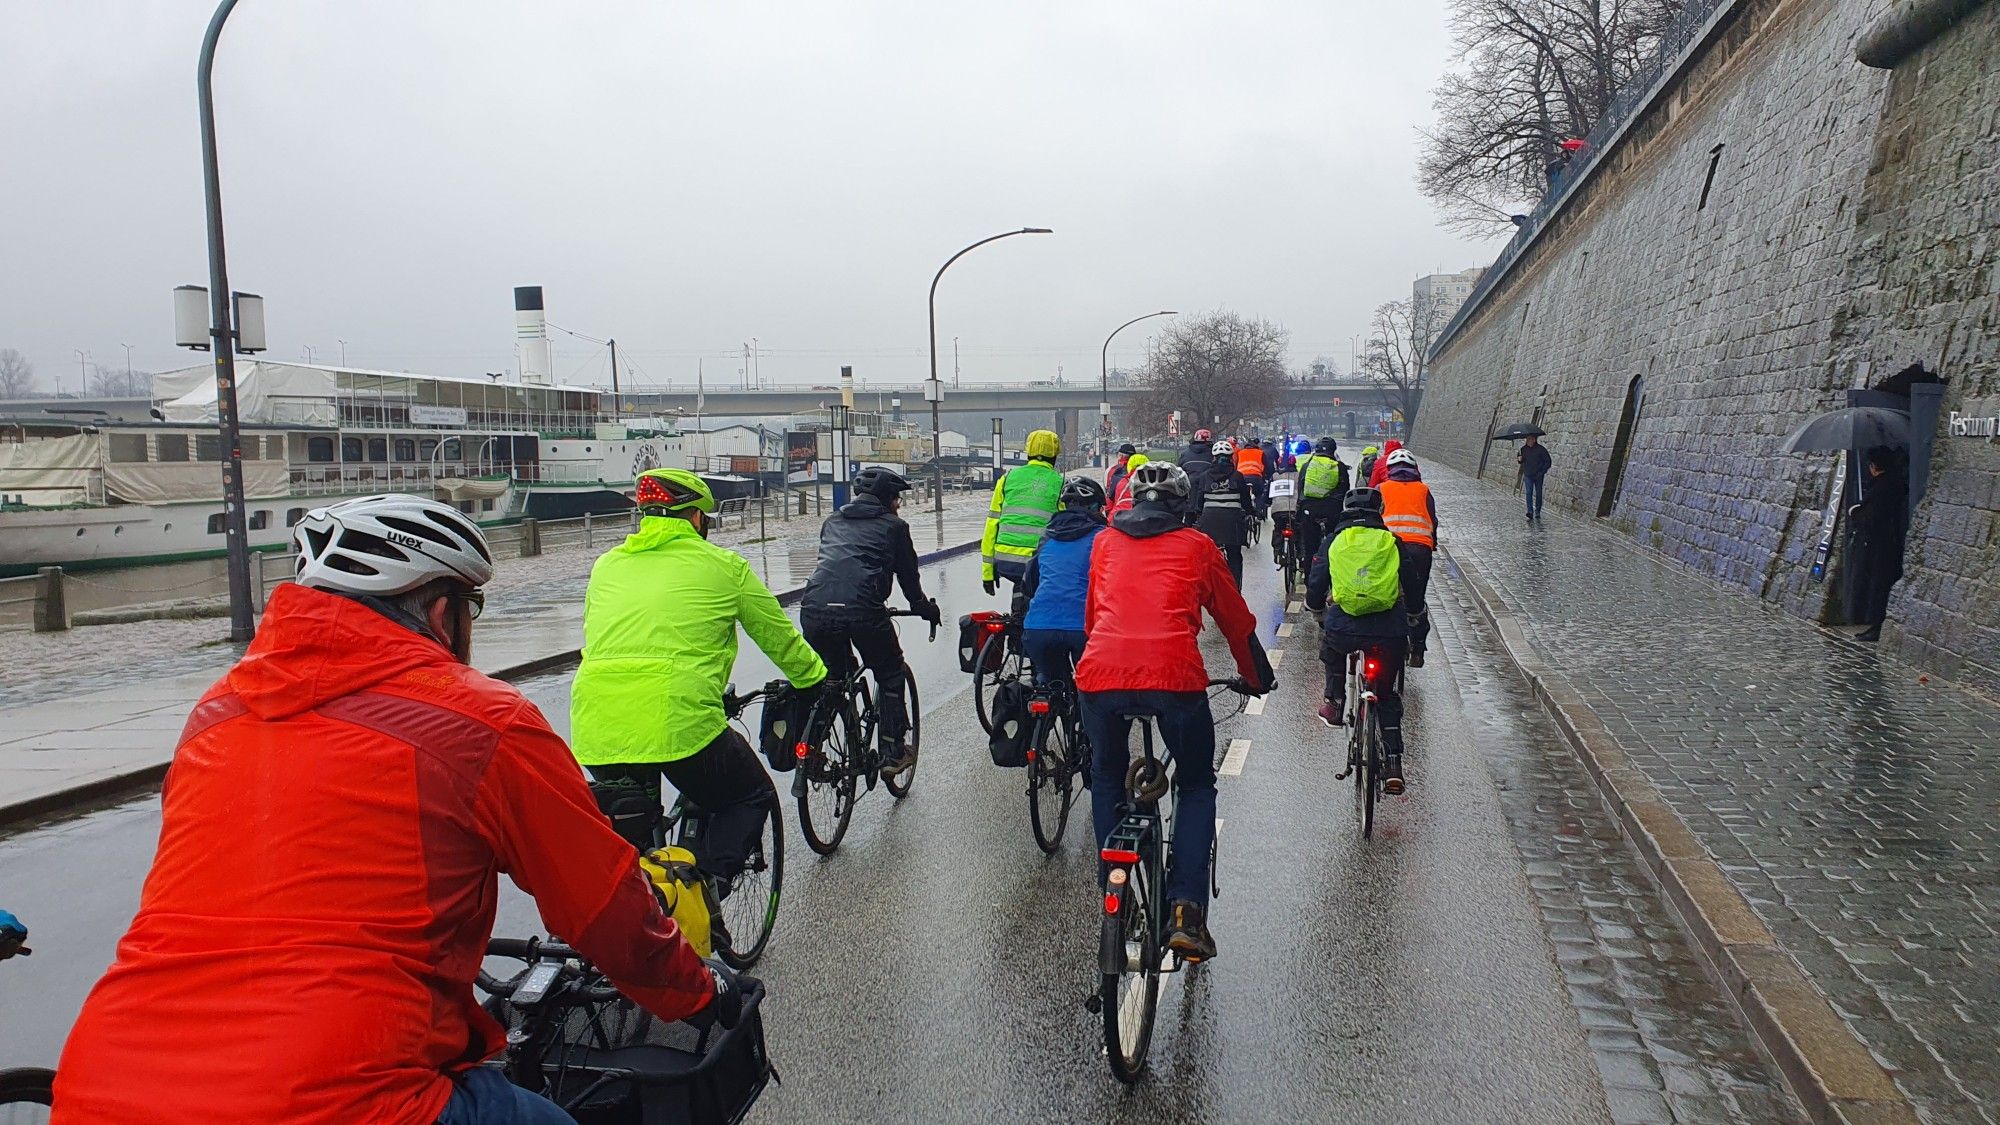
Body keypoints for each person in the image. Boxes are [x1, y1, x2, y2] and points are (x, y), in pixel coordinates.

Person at [56, 494, 730, 1125]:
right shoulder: (482, 721)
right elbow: (602, 906)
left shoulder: (214, 716)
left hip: (104, 1085)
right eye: (472, 608)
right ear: (443, 615)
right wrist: (698, 993)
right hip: (336, 1096)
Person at [571, 468, 828, 892]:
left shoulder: (606, 567)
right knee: (751, 795)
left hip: (598, 724)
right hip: (677, 720)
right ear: (694, 519)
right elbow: (779, 639)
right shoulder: (724, 567)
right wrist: (813, 678)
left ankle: (635, 915)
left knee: (631, 836)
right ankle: (701, 893)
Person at [1076, 461, 1274, 962]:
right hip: (1175, 679)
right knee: (1195, 782)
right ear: (1184, 507)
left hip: (1101, 677)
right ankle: (1186, 909)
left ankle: (1112, 891)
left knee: (1104, 775)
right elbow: (1234, 620)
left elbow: (1095, 617)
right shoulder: (1199, 547)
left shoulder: (1104, 543)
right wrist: (1256, 677)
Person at [801, 466, 942, 774]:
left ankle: (812, 746)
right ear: (889, 500)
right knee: (891, 673)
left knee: (834, 679)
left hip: (814, 611)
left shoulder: (832, 522)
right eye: (897, 499)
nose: (899, 505)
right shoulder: (894, 527)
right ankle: (893, 753)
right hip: (863, 612)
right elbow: (908, 577)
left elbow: (836, 567)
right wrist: (923, 608)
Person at [1305, 487, 1410, 792]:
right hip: (1389, 629)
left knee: (1332, 652)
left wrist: (1315, 606)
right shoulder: (1391, 541)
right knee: (1387, 694)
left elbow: (1317, 580)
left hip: (1344, 627)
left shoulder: (1334, 541)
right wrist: (1414, 615)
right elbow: (1413, 582)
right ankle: (1393, 764)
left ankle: (1336, 703)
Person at [1019, 476, 1108, 686]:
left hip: (1038, 628)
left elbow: (1030, 583)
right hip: (1084, 629)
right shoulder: (1103, 537)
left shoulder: (1046, 537)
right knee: (1090, 688)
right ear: (1096, 507)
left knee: (1049, 680)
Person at [981, 428, 1064, 595]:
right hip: (1040, 562)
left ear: (1028, 452)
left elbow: (992, 525)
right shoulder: (1060, 483)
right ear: (1054, 456)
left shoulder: (1007, 478)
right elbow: (1065, 527)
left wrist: (987, 574)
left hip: (1005, 561)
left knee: (1019, 593)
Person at [1377, 449, 1440, 668]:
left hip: (1389, 547)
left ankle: (1383, 636)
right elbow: (1433, 520)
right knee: (1416, 599)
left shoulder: (1382, 488)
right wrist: (1433, 542)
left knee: (1385, 591)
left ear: (1390, 470)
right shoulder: (1424, 490)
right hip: (1419, 549)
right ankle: (1418, 651)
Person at [1848, 446, 1908, 642]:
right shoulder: (1894, 485)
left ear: (1874, 467)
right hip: (1888, 542)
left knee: (1877, 585)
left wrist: (1855, 513)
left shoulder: (1881, 488)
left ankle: (1875, 625)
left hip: (1878, 544)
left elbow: (1871, 517)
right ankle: (1874, 624)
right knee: (1879, 584)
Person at [1192, 438, 1256, 588]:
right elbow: (1245, 500)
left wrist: (1198, 513)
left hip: (1209, 524)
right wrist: (1252, 512)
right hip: (1231, 525)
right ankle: (1235, 588)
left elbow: (1199, 501)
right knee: (1234, 556)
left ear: (1213, 458)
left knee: (1206, 556)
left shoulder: (1204, 477)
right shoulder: (1238, 477)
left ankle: (1206, 585)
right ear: (1231, 458)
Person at [1293, 437, 1349, 564]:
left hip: (1309, 509)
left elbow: (1301, 487)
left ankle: (1308, 579)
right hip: (1332, 510)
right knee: (1334, 545)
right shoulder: (1339, 467)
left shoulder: (1307, 465)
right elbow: (1345, 490)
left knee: (1310, 548)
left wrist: (1299, 507)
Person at [1519, 434, 1552, 521]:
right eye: (1527, 439)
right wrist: (1520, 460)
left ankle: (1537, 511)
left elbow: (1548, 461)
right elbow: (1522, 460)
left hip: (1538, 475)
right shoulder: (1523, 449)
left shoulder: (1541, 449)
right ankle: (1530, 511)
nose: (1527, 441)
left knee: (1538, 493)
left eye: (1529, 439)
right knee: (1529, 492)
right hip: (1528, 474)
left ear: (1534, 440)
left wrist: (1542, 471)